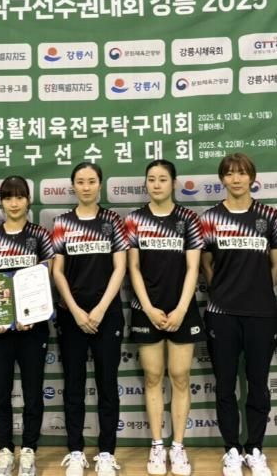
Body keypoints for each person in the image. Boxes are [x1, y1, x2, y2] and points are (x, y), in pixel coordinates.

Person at [125, 159, 204, 476]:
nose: (156, 184)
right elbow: (133, 268)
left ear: (173, 183)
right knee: (153, 377)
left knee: (181, 376)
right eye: (151, 179)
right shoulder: (135, 220)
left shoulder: (188, 219)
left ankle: (178, 446)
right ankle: (157, 446)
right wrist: (147, 307)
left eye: (162, 179)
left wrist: (182, 309)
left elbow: (193, 268)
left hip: (182, 309)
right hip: (147, 310)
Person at [200, 153, 277, 476]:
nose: (236, 179)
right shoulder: (210, 218)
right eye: (230, 173)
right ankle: (231, 449)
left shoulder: (268, 216)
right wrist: (222, 291)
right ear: (222, 179)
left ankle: (255, 449)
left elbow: (275, 264)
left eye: (242, 173)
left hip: (262, 313)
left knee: (258, 384)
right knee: (225, 385)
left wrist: (258, 290)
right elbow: (205, 263)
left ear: (252, 178)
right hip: (222, 314)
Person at [51, 163, 127, 476]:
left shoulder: (113, 221)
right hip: (72, 316)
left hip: (106, 315)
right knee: (74, 386)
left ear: (100, 184)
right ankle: (76, 452)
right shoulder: (62, 222)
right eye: (80, 182)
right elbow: (57, 271)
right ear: (73, 186)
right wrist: (76, 310)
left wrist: (99, 309)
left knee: (107, 384)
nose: (86, 187)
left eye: (91, 181)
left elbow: (120, 268)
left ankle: (106, 453)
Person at [0, 176, 54, 476]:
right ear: (1, 202)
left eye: (19, 197)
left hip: (33, 328)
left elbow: (45, 277)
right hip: (0, 332)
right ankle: (6, 450)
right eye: (8, 197)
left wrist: (30, 316)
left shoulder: (40, 235)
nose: (14, 203)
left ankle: (29, 450)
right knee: (0, 392)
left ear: (28, 200)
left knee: (33, 392)